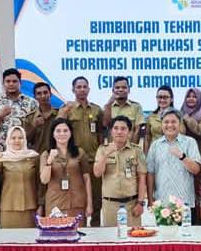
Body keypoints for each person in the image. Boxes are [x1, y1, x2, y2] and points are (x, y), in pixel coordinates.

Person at [57, 76, 104, 226]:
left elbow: (101, 134)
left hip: (93, 159)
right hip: (74, 159)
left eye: (85, 87)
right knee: (77, 194)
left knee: (96, 197)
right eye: (79, 87)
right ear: (73, 90)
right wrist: (63, 113)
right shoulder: (68, 109)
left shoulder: (97, 110)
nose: (82, 90)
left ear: (89, 89)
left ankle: (96, 229)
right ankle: (78, 226)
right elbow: (58, 128)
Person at [93, 116, 147, 226]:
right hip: (110, 205)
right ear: (111, 131)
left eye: (123, 129)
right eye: (116, 128)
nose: (119, 132)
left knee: (133, 239)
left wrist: (140, 203)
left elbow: (142, 179)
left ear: (129, 132)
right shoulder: (103, 149)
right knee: (112, 239)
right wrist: (107, 154)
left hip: (131, 205)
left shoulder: (136, 150)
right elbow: (97, 173)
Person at [146, 109, 201, 210]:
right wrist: (150, 199)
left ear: (179, 124)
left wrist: (182, 156)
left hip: (184, 203)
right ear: (161, 124)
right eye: (166, 122)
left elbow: (196, 170)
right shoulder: (155, 145)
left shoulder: (190, 142)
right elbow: (150, 173)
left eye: (173, 122)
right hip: (162, 204)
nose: (170, 125)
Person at [40, 118, 93, 222]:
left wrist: (89, 204)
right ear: (53, 134)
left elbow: (87, 179)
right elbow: (44, 180)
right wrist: (50, 160)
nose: (62, 134)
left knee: (77, 234)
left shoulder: (79, 152)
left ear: (70, 133)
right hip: (55, 204)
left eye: (65, 131)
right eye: (58, 131)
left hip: (77, 202)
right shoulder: (46, 154)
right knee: (56, 235)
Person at [0, 126, 40, 228]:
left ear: (25, 139)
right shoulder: (3, 158)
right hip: (8, 208)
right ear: (8, 140)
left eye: (20, 138)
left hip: (29, 208)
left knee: (28, 241)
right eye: (13, 138)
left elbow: (39, 183)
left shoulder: (33, 157)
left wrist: (41, 205)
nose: (17, 141)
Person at [0, 68, 38, 152]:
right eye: (8, 81)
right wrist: (0, 116)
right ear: (3, 84)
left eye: (14, 81)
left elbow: (37, 129)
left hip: (24, 152)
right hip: (1, 151)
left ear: (20, 83)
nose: (11, 84)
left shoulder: (31, 103)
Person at [102, 76, 144, 144]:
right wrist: (109, 103)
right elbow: (105, 124)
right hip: (113, 150)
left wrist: (133, 148)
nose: (120, 90)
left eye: (124, 87)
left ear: (128, 90)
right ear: (113, 90)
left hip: (130, 148)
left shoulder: (136, 107)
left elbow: (137, 130)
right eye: (117, 88)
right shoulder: (108, 107)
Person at [144, 85, 185, 153]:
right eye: (160, 97)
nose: (162, 100)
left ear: (171, 99)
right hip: (155, 153)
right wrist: (146, 155)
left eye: (165, 97)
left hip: (173, 153)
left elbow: (182, 134)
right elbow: (147, 137)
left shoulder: (178, 115)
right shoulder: (151, 117)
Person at [26, 82, 59, 153]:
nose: (43, 96)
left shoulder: (59, 114)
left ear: (50, 94)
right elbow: (24, 140)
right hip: (36, 157)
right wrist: (34, 126)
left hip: (56, 157)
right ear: (35, 97)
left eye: (45, 92)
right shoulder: (30, 117)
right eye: (39, 93)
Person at [180, 87, 201, 159]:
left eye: (194, 97)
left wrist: (188, 120)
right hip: (184, 151)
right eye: (188, 96)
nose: (191, 99)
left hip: (200, 151)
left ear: (199, 99)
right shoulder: (181, 113)